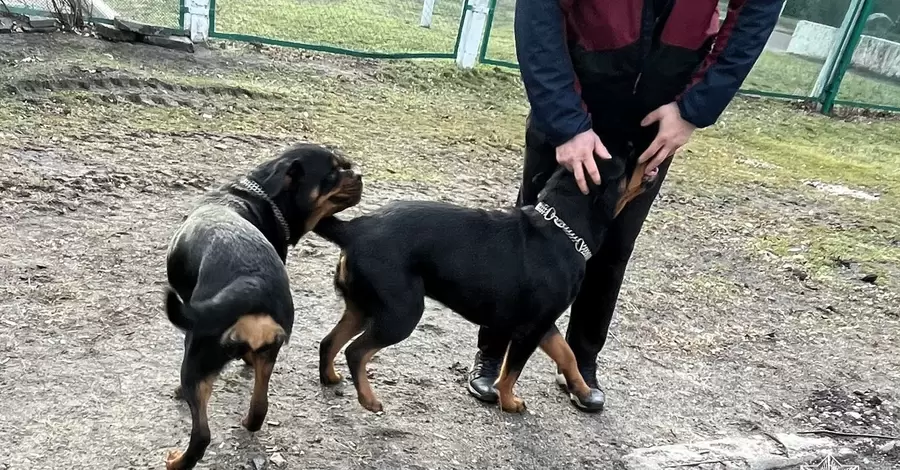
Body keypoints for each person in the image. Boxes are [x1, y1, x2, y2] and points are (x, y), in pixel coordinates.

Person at [467, 0, 785, 412]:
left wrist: (693, 109)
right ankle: (495, 350)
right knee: (530, 235)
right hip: (580, 86)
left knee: (613, 246)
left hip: (658, 112)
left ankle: (580, 363)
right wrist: (565, 122)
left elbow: (757, 12)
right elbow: (539, 10)